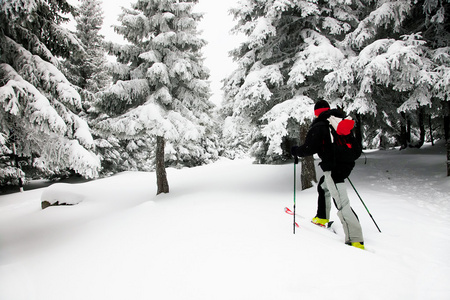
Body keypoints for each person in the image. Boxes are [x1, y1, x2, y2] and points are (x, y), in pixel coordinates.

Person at [291, 100, 365, 250]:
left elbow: (308, 149)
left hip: (333, 167)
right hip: (345, 164)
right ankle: (321, 217)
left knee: (342, 202)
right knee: (324, 186)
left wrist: (295, 151)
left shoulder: (319, 127)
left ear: (316, 113)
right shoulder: (338, 122)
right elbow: (356, 148)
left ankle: (355, 239)